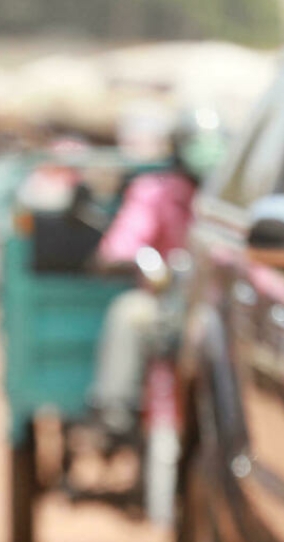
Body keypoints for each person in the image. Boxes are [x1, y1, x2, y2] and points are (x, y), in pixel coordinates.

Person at [86, 108, 226, 441]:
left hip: (216, 314)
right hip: (165, 306)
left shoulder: (229, 197)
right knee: (128, 314)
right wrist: (133, 259)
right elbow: (120, 244)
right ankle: (113, 410)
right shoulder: (154, 191)